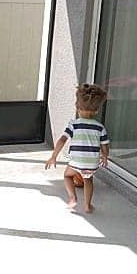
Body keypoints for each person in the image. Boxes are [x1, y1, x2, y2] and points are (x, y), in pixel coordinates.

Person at [45, 84, 110, 213]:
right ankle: (87, 205)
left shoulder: (74, 124)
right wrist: (105, 156)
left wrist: (54, 156)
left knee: (67, 176)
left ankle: (73, 198)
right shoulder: (99, 127)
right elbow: (105, 145)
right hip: (91, 163)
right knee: (88, 181)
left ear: (77, 108)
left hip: (76, 161)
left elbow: (62, 140)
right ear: (96, 111)